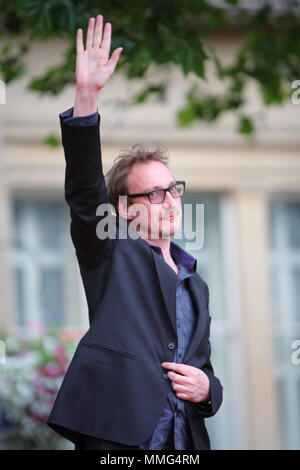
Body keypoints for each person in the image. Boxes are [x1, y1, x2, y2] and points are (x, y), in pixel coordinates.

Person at [46, 14, 223, 451]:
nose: (170, 200)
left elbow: (202, 368)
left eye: (174, 189)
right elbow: (86, 194)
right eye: (155, 193)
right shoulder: (111, 250)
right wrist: (86, 97)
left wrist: (208, 390)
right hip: (118, 437)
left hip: (184, 443)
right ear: (124, 210)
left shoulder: (194, 281)